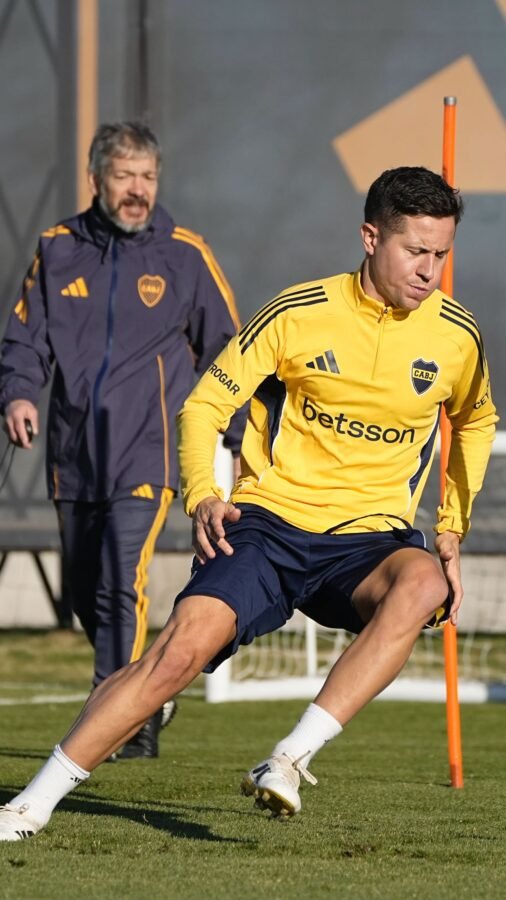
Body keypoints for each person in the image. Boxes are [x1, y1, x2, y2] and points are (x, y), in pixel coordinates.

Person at [0, 166, 497, 841]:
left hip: (368, 541)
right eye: (415, 251)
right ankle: (30, 804)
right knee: (174, 657)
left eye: (441, 254)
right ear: (370, 237)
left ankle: (289, 759)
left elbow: (472, 421)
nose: (429, 271)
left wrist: (451, 528)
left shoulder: (457, 336)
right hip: (268, 527)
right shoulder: (299, 312)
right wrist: (204, 493)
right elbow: (204, 404)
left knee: (424, 583)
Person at [0, 121, 244, 761]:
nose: (138, 190)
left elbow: (231, 351)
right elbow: (24, 340)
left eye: (148, 177)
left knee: (118, 577)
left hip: (149, 449)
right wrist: (20, 393)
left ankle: (120, 722)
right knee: (86, 591)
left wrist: (239, 432)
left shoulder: (184, 254)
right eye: (124, 176)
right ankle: (148, 692)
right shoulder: (57, 250)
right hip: (74, 456)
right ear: (96, 180)